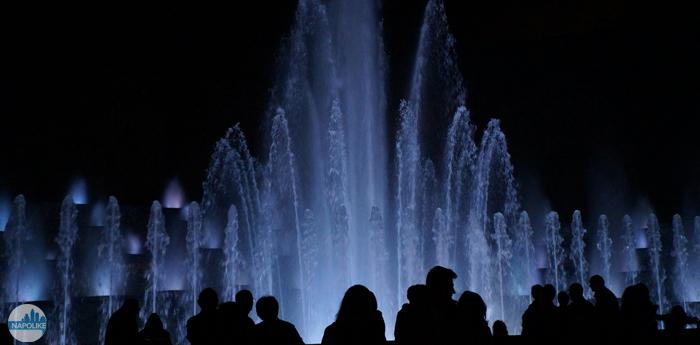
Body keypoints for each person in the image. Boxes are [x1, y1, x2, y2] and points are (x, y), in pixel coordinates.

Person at [425, 266, 459, 343]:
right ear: (438, 288)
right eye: (450, 287)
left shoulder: (412, 314)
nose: (453, 291)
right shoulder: (456, 312)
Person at [589, 275, 619, 340]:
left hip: (607, 330)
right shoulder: (604, 294)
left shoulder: (603, 296)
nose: (590, 286)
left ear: (596, 284)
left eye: (591, 283)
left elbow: (602, 314)